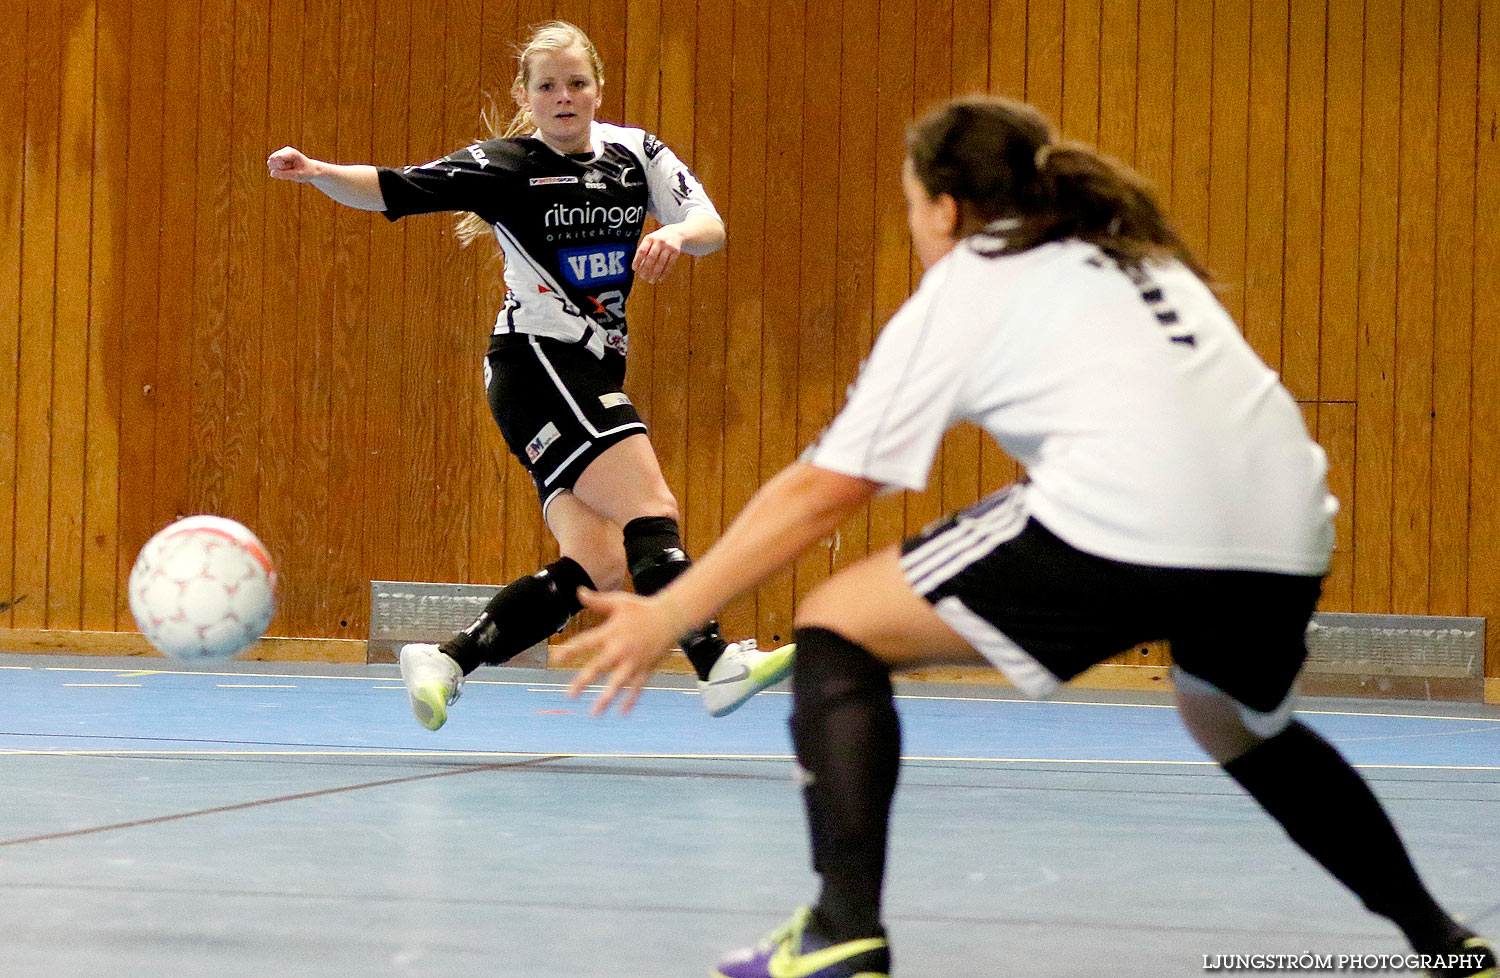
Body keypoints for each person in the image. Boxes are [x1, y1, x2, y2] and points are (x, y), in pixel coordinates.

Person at [563, 95, 1498, 978]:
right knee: (1233, 719)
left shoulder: (970, 284)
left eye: (911, 205)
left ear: (946, 205)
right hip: (1285, 526)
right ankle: (1443, 939)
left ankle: (843, 931)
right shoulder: (1135, 256)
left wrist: (675, 610)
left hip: (1137, 515)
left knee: (840, 623)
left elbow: (822, 492)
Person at [267, 19, 793, 730]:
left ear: (598, 88)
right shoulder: (505, 166)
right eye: (548, 86)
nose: (565, 96)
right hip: (540, 361)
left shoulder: (637, 153)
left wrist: (671, 232)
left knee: (602, 564)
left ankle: (445, 660)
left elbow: (710, 225)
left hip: (578, 369)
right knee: (650, 505)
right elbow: (394, 187)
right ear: (527, 95)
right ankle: (715, 663)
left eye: (577, 83)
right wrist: (321, 173)